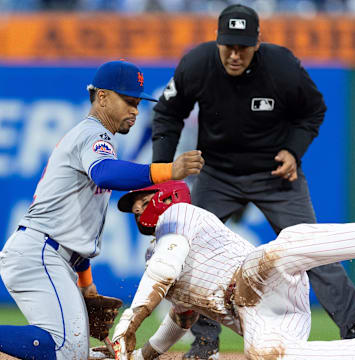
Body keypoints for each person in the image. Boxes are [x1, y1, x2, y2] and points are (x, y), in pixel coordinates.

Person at [151, 3, 355, 357]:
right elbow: (167, 113)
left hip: (275, 174)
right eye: (228, 45)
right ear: (217, 41)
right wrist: (161, 172)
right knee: (191, 252)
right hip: (218, 174)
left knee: (315, 252)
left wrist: (294, 151)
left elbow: (314, 110)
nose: (234, 54)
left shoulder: (281, 66)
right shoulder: (197, 64)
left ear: (257, 43)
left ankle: (354, 327)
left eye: (243, 46)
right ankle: (205, 341)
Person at [0, 60, 204, 360]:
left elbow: (73, 227)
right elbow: (105, 174)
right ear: (103, 97)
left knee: (77, 351)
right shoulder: (93, 134)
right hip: (39, 253)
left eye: (138, 104)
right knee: (66, 348)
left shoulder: (95, 138)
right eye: (129, 102)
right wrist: (167, 170)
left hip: (49, 253)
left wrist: (87, 285)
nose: (135, 111)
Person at [110, 180, 355, 360]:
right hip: (261, 317)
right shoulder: (154, 254)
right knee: (261, 353)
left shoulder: (179, 213)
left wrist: (127, 325)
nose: (137, 209)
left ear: (167, 196)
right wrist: (141, 356)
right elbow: (181, 317)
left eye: (142, 201)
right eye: (135, 207)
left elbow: (164, 270)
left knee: (287, 244)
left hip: (255, 277)